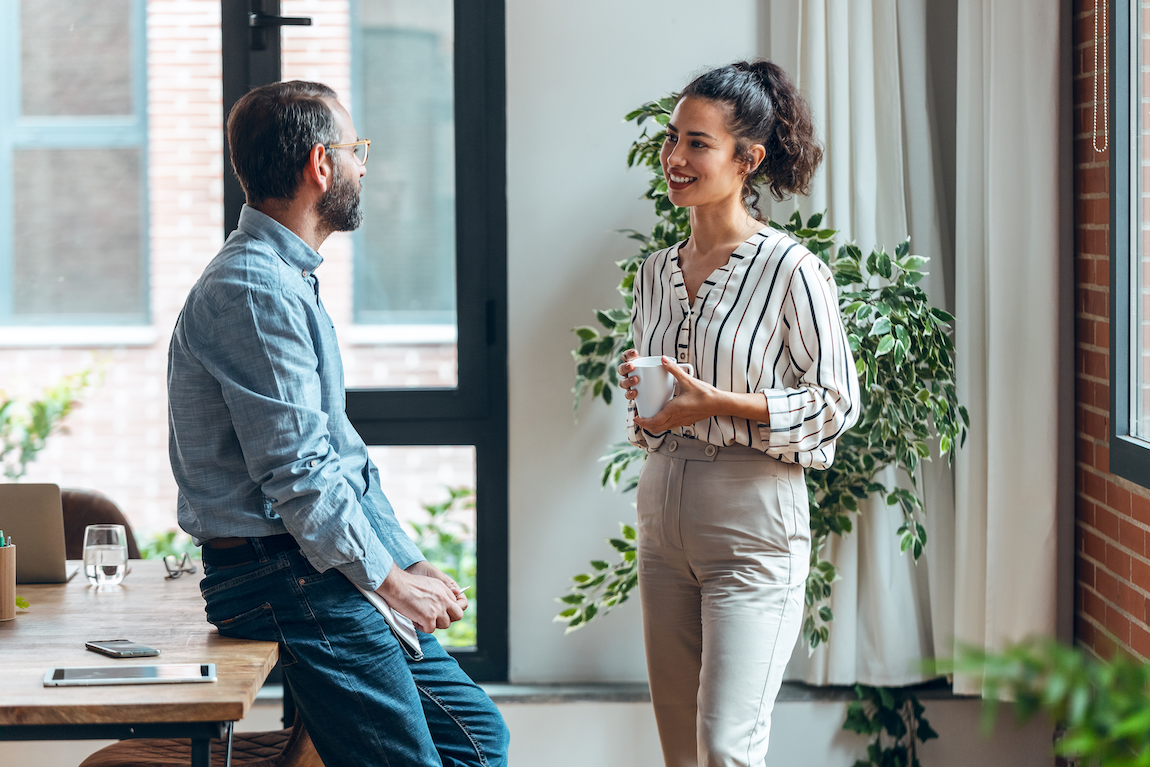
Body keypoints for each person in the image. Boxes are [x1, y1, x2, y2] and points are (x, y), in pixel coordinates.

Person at [167, 81, 509, 767]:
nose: (364, 166)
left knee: (476, 737)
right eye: (357, 151)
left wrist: (405, 560)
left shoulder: (286, 279)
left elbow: (340, 454)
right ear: (321, 165)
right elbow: (299, 474)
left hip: (309, 566)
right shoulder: (253, 289)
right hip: (278, 576)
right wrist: (389, 580)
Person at [618, 60, 859, 767]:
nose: (675, 158)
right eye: (672, 139)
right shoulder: (655, 272)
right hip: (663, 518)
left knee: (726, 748)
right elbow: (656, 411)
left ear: (746, 158)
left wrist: (717, 402)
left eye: (698, 142)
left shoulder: (792, 269)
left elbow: (834, 403)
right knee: (682, 754)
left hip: (753, 526)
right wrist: (648, 406)